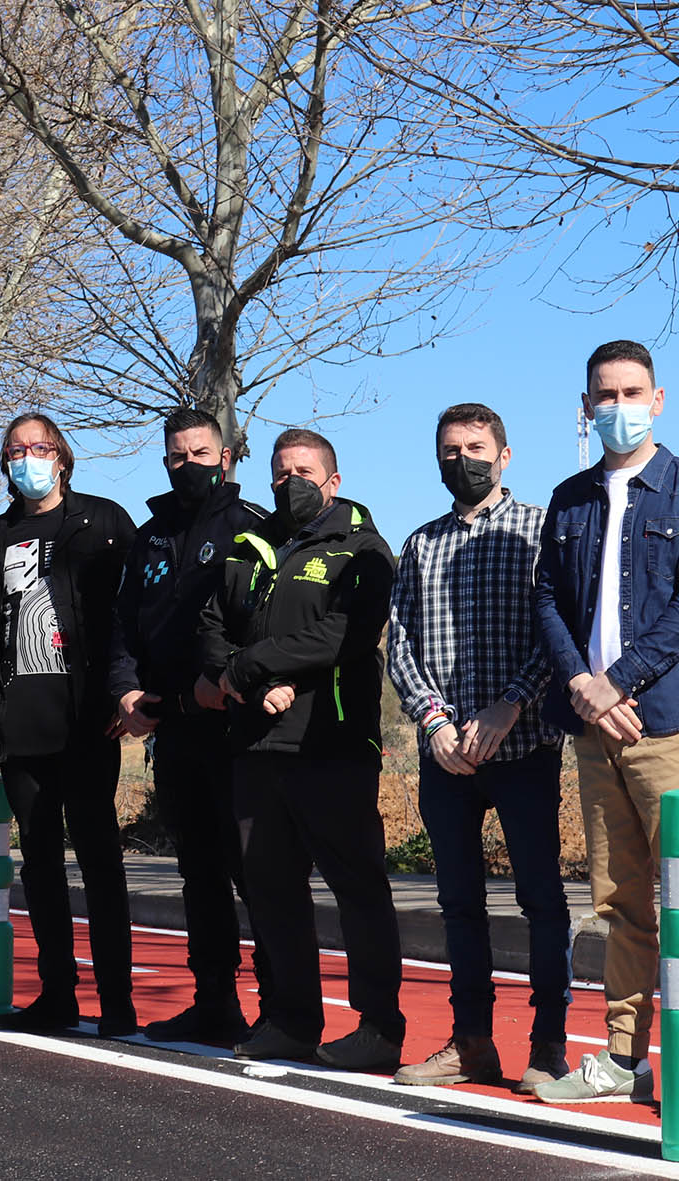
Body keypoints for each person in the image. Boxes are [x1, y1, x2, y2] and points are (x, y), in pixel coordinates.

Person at [530, 341, 679, 1105]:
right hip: (591, 728)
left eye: (632, 391)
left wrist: (615, 680)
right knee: (618, 898)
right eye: (604, 394)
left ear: (658, 397)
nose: (618, 405)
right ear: (585, 406)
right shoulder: (569, 497)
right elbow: (547, 599)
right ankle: (620, 1057)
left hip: (668, 724)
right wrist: (582, 687)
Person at [197, 428, 405, 1071]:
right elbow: (209, 625)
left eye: (306, 471)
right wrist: (238, 676)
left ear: (334, 481)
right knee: (271, 890)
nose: (294, 481)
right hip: (256, 746)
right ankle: (290, 1020)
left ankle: (377, 1028)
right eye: (282, 472)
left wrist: (254, 666)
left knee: (358, 889)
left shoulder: (362, 548)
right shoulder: (247, 549)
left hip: (331, 744)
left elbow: (346, 632)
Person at [386, 403, 572, 1093]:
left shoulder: (537, 530)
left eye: (473, 446)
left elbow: (557, 632)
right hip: (446, 759)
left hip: (522, 747)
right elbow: (399, 644)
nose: (460, 459)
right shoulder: (420, 544)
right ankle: (470, 1043)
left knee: (541, 899)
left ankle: (547, 1044)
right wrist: (433, 720)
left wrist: (510, 701)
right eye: (448, 449)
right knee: (458, 903)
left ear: (504, 453)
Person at [0, 412, 140, 1037]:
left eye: (39, 446)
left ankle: (118, 1000)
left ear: (61, 455)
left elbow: (132, 614)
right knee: (39, 864)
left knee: (100, 859)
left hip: (87, 722)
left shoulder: (105, 520)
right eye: (15, 449)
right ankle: (58, 994)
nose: (28, 457)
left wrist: (126, 692)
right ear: (4, 462)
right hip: (20, 726)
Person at [105, 407, 273, 1045]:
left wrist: (228, 681)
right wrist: (123, 690)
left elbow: (266, 626)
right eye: (178, 456)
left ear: (226, 457)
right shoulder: (149, 537)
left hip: (236, 733)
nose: (189, 465)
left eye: (201, 454)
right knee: (197, 874)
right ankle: (214, 1003)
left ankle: (278, 1008)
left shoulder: (253, 529)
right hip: (172, 732)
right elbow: (122, 626)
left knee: (251, 873)